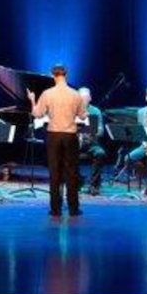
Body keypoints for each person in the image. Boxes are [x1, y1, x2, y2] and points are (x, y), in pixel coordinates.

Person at [28, 64, 87, 217]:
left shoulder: (47, 93)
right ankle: (73, 209)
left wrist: (32, 100)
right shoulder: (75, 94)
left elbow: (38, 114)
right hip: (70, 136)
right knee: (72, 172)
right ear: (66, 75)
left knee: (55, 173)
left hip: (54, 136)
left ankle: (55, 209)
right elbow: (82, 116)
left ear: (52, 75)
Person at [77, 87, 107, 196]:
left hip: (91, 143)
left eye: (85, 98)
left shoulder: (95, 111)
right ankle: (78, 181)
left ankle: (94, 185)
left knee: (100, 153)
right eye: (81, 98)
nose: (83, 101)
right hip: (76, 144)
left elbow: (101, 131)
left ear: (90, 98)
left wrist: (93, 132)